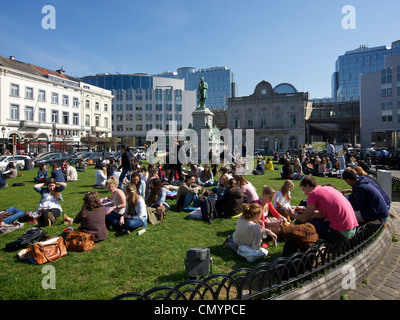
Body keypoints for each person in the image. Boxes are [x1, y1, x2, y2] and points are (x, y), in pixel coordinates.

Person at [287, 176, 358, 243]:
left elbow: (304, 218)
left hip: (339, 233)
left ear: (307, 185)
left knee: (299, 222)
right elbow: (323, 214)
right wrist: (304, 210)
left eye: (304, 189)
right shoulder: (328, 188)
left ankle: (305, 243)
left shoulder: (313, 194)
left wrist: (292, 214)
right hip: (351, 229)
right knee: (314, 220)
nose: (305, 193)